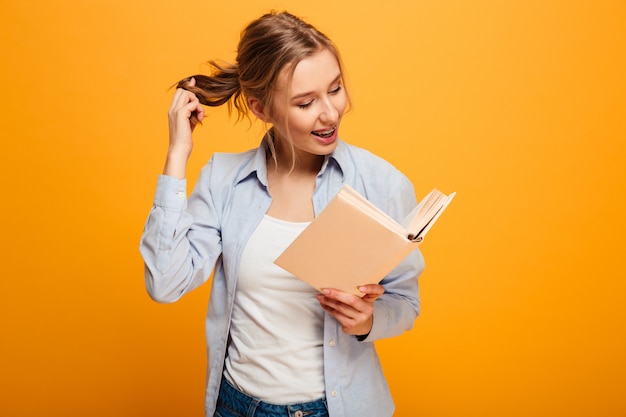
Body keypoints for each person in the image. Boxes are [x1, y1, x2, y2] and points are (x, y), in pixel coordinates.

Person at [140, 10, 424, 417]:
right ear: (261, 109)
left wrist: (367, 321)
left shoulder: (381, 184)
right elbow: (164, 283)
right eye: (306, 102)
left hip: (336, 408)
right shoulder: (223, 181)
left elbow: (405, 303)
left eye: (336, 88)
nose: (330, 113)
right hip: (237, 406)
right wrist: (177, 156)